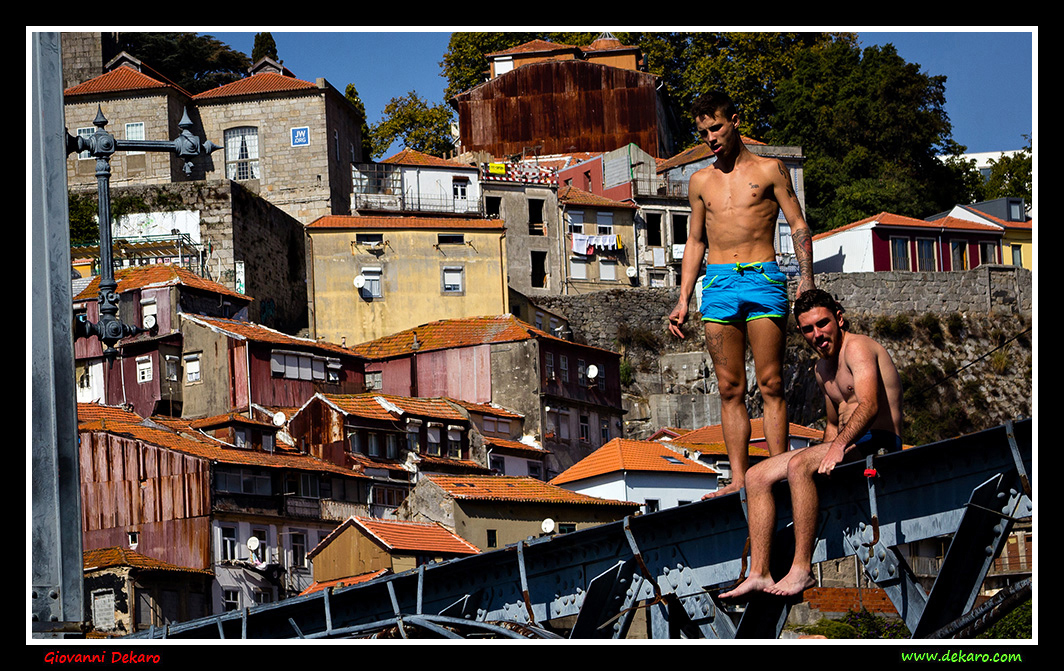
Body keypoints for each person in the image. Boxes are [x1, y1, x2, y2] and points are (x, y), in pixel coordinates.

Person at [667, 90, 815, 499]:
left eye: (716, 127)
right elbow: (694, 241)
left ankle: (779, 470)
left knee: (771, 382)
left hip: (763, 278)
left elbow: (798, 224)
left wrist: (806, 278)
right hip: (717, 284)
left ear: (734, 119)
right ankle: (737, 480)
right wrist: (682, 299)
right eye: (704, 132)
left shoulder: (770, 170)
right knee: (729, 388)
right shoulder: (700, 181)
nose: (711, 137)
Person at [719, 289, 904, 599]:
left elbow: (869, 406)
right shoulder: (822, 370)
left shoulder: (857, 349)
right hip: (847, 445)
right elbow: (833, 424)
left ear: (839, 319)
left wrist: (836, 447)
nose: (817, 335)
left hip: (879, 442)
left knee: (798, 464)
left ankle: (801, 569)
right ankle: (759, 572)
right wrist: (830, 449)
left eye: (822, 324)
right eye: (808, 329)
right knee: (756, 476)